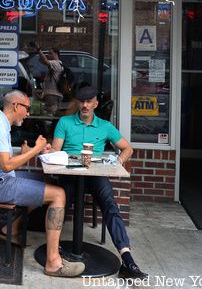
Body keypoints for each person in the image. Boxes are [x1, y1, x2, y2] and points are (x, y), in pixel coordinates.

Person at [0, 90, 84, 278]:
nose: (28, 113)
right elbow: (7, 165)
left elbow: (1, 160)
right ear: (16, 106)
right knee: (58, 195)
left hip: (0, 179)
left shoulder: (0, 123)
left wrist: (24, 153)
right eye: (27, 108)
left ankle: (10, 229)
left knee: (47, 181)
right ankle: (53, 263)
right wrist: (35, 150)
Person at [49, 85, 148, 280]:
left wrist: (117, 162)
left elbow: (128, 149)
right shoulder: (65, 122)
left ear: (96, 103)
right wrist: (52, 152)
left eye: (89, 102)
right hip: (69, 173)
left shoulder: (105, 126)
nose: (85, 105)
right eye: (82, 101)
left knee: (110, 204)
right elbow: (55, 150)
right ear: (78, 103)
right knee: (60, 201)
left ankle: (128, 260)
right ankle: (54, 251)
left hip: (95, 174)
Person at [36, 46, 63, 114]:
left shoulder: (56, 63)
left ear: (56, 54)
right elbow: (42, 60)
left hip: (53, 95)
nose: (49, 55)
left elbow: (45, 61)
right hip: (51, 94)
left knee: (51, 113)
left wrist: (39, 50)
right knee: (47, 113)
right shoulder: (56, 64)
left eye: (51, 53)